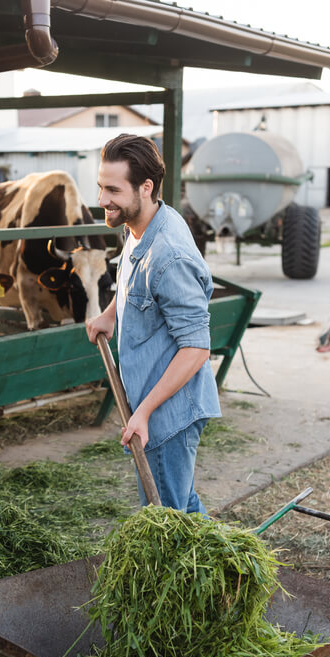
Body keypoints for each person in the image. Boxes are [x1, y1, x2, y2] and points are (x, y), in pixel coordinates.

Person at [86, 134, 221, 514]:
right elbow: (136, 279)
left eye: (112, 190)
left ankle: (200, 572)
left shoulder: (170, 255)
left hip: (168, 414)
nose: (102, 201)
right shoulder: (140, 225)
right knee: (179, 501)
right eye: (100, 187)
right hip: (150, 400)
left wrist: (143, 413)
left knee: (165, 515)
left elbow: (196, 349)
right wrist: (111, 314)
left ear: (145, 188)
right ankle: (222, 565)